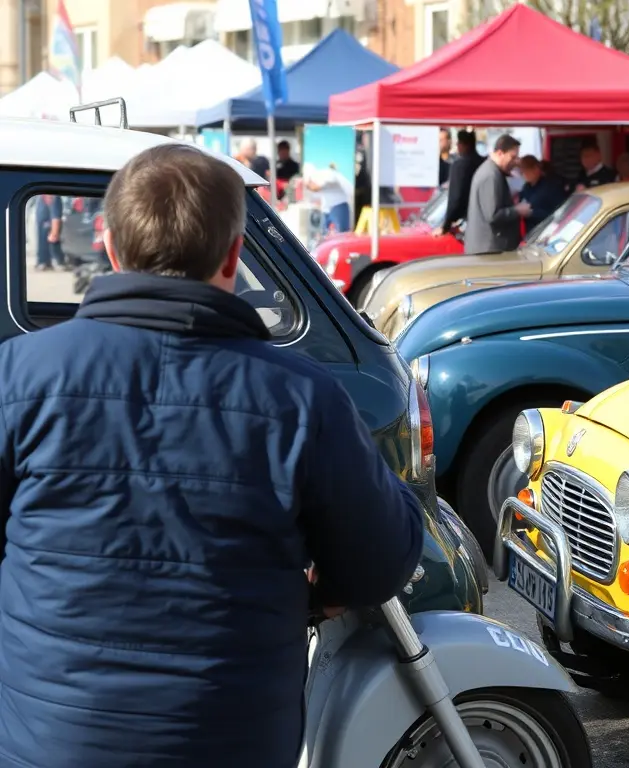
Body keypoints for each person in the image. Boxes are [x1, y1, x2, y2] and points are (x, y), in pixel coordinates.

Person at [0, 144, 424, 768]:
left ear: (111, 249)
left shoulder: (18, 375)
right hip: (231, 739)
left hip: (50, 743)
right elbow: (381, 561)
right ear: (233, 256)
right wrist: (323, 593)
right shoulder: (302, 398)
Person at [464, 133, 531, 254]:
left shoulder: (492, 172)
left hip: (490, 248)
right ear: (500, 153)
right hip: (490, 250)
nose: (516, 162)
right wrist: (518, 210)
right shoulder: (491, 175)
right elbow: (493, 215)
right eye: (513, 157)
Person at [438, 129, 483, 235]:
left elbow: (455, 198)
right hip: (481, 220)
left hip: (464, 225)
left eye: (458, 143)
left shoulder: (459, 166)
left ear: (463, 145)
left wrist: (446, 225)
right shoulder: (483, 163)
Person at [518, 154, 567, 232]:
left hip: (547, 231)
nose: (524, 174)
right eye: (522, 172)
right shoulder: (526, 188)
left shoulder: (551, 187)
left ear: (536, 169)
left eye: (526, 171)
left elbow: (559, 213)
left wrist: (532, 213)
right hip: (530, 232)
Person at [306, 162, 355, 233]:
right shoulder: (326, 177)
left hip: (338, 207)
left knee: (341, 234)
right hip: (327, 209)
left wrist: (308, 183)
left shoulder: (332, 175)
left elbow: (317, 187)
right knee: (325, 234)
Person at [35, 193, 66, 271]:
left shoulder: (53, 196)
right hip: (43, 223)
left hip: (49, 225)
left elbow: (56, 216)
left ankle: (58, 261)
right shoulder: (41, 196)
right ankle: (44, 261)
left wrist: (54, 232)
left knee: (52, 240)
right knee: (43, 240)